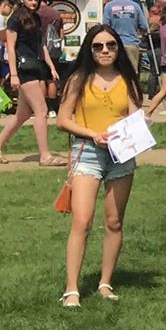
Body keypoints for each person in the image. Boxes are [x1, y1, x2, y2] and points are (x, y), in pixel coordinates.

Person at [53, 25, 143, 306]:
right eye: (98, 46)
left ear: (118, 48)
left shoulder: (127, 80)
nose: (105, 51)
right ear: (89, 49)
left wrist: (139, 125)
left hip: (122, 153)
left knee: (114, 222)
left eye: (111, 45)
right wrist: (92, 133)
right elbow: (62, 120)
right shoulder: (78, 79)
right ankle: (72, 289)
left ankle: (105, 283)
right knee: (82, 221)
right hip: (88, 151)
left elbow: (134, 114)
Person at [0, 0, 65, 165]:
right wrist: (14, 74)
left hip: (34, 66)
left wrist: (51, 67)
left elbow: (41, 46)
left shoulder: (35, 19)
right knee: (41, 110)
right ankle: (45, 156)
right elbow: (11, 47)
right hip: (24, 69)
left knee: (22, 114)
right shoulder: (15, 19)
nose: (33, 2)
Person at [102, 0, 148, 73]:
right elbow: (144, 26)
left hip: (115, 43)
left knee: (116, 71)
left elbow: (105, 26)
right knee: (132, 72)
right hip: (132, 42)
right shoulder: (135, 6)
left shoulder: (108, 6)